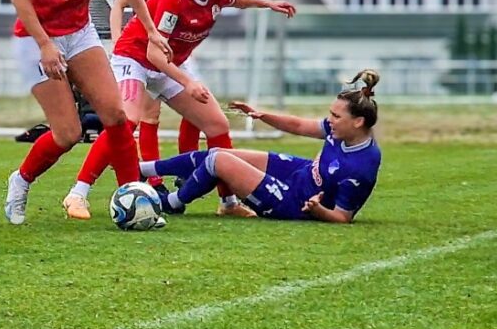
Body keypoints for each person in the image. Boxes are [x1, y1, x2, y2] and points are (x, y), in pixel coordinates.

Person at [61, 0, 296, 219]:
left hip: (169, 64)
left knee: (216, 124)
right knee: (125, 122)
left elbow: (236, 0)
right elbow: (153, 53)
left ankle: (228, 202)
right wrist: (188, 82)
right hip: (134, 59)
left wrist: (267, 4)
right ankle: (77, 194)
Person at [3, 0, 173, 226]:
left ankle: (134, 198)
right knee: (67, 133)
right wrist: (46, 46)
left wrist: (151, 30)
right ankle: (20, 181)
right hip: (37, 37)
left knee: (115, 115)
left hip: (79, 33)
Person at [142, 70, 383, 222]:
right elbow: (299, 125)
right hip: (298, 174)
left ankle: (171, 203)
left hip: (293, 202)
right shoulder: (340, 130)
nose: (330, 120)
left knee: (218, 161)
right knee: (220, 153)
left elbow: (343, 217)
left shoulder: (361, 167)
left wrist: (318, 211)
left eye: (336, 116)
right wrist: (262, 115)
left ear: (358, 122)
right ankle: (143, 169)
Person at [107, 0, 200, 167]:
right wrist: (116, 43)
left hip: (174, 53)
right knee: (150, 114)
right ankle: (152, 176)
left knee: (197, 110)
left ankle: (186, 170)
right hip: (145, 51)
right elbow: (119, 6)